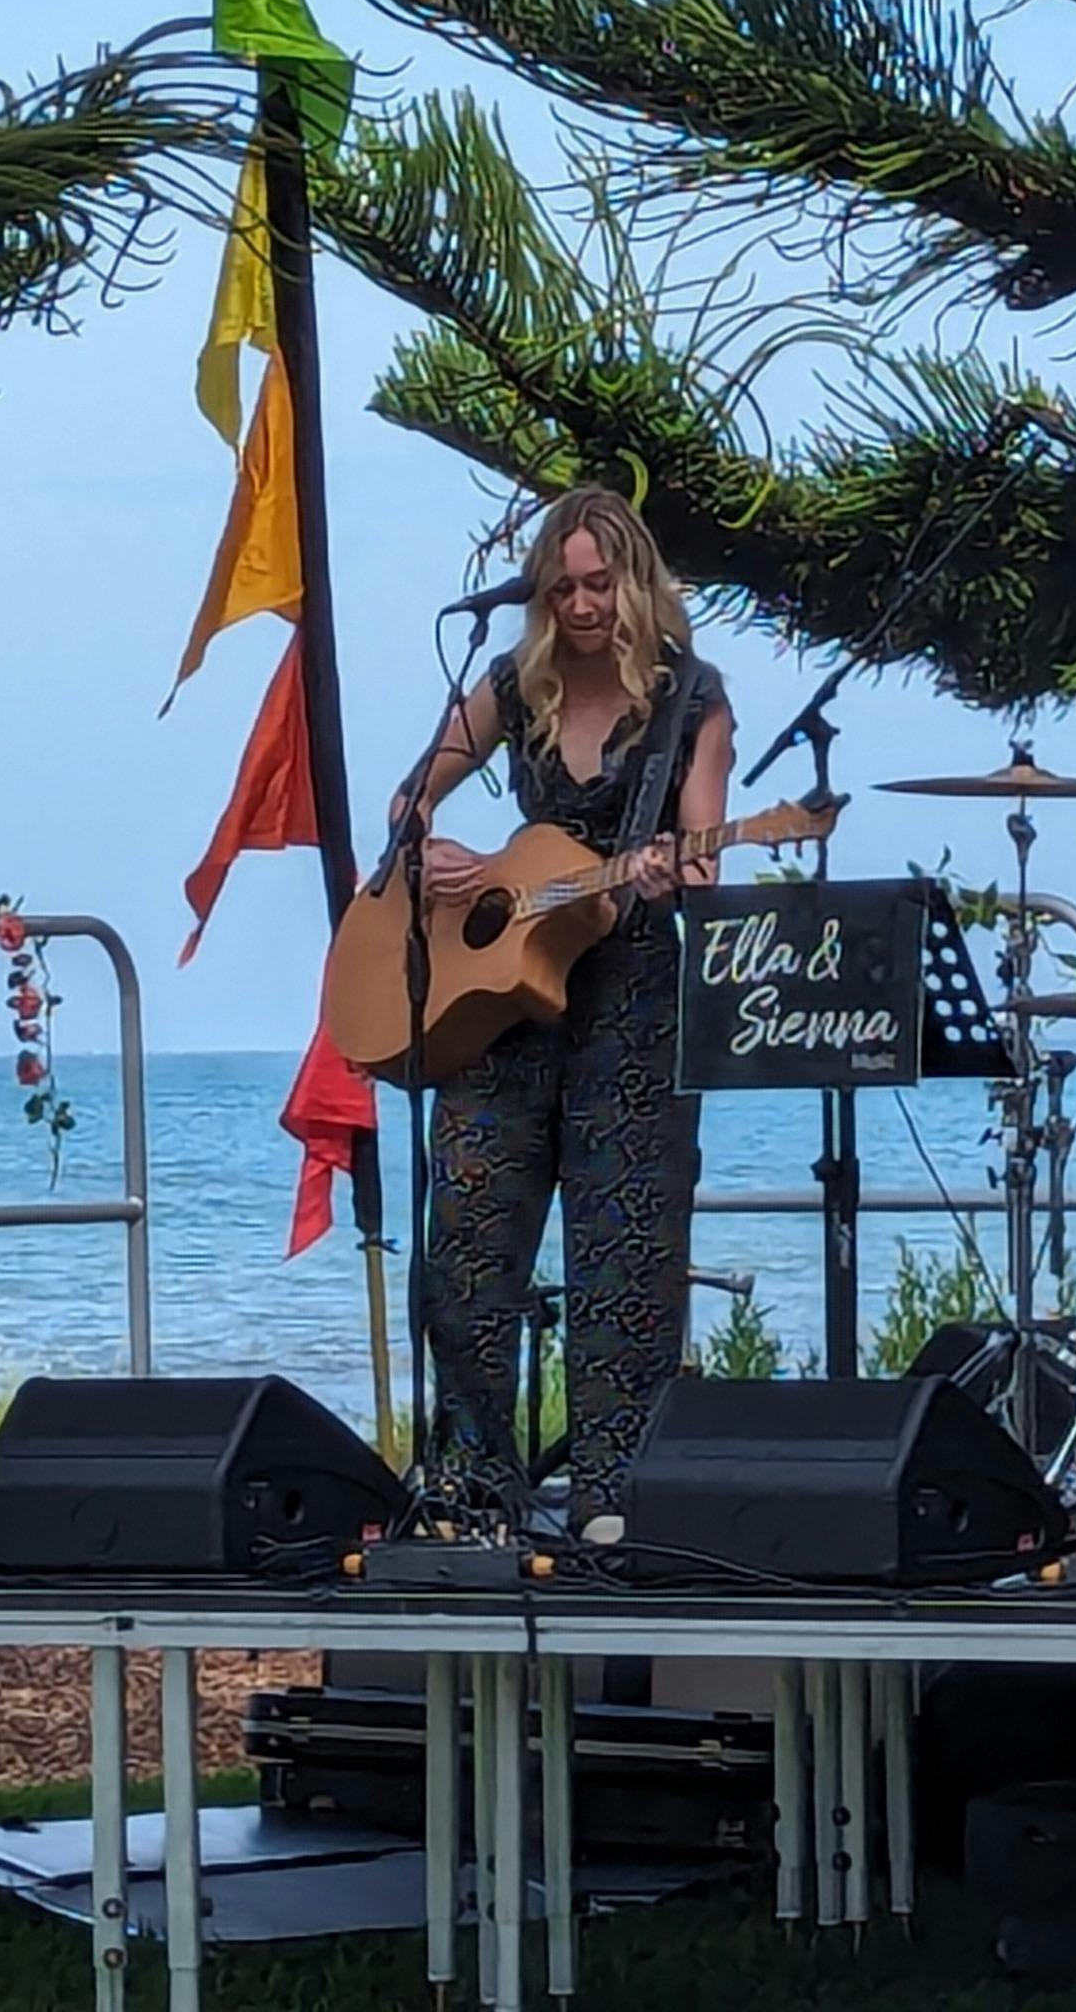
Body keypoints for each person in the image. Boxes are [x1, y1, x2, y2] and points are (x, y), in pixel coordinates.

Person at [395, 485, 732, 1521]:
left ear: (637, 585)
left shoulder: (693, 699)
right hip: (502, 1002)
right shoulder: (511, 683)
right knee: (465, 1243)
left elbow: (706, 858)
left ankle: (613, 1497)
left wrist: (671, 871)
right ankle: (471, 1489)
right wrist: (431, 852)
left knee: (625, 1256)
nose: (583, 606)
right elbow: (412, 798)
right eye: (562, 589)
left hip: (630, 1001)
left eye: (600, 585)